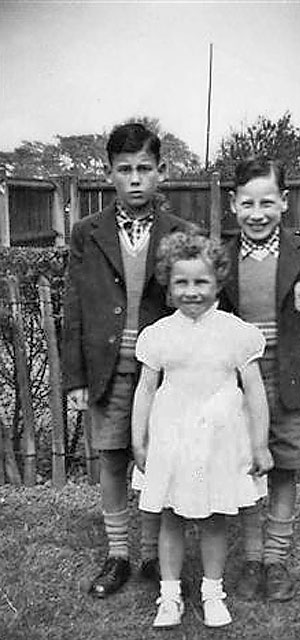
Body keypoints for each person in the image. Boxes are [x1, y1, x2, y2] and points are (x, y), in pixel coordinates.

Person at [62, 122, 190, 598]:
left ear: (162, 172)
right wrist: (76, 377)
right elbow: (74, 307)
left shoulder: (181, 233)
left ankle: (154, 555)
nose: (135, 179)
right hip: (109, 368)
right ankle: (118, 554)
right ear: (109, 174)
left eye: (144, 169)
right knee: (114, 458)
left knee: (161, 458)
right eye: (124, 170)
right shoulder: (87, 233)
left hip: (165, 373)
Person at [131, 231, 273, 628]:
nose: (191, 291)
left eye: (201, 282)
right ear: (167, 282)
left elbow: (255, 390)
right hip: (172, 438)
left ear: (218, 283)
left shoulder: (235, 333)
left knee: (214, 517)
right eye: (181, 282)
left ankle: (213, 593)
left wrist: (260, 445)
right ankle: (170, 595)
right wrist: (137, 439)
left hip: (219, 440)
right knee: (171, 516)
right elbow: (145, 389)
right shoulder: (158, 335)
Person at [220, 157, 300, 602]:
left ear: (284, 203)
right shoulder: (222, 258)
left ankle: (276, 559)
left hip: (288, 381)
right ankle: (251, 560)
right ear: (233, 205)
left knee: (285, 468)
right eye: (247, 203)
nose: (257, 213)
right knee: (247, 466)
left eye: (267, 202)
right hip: (237, 384)